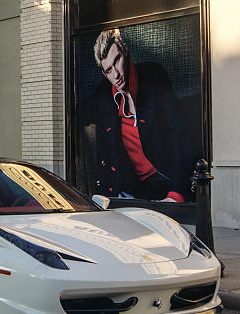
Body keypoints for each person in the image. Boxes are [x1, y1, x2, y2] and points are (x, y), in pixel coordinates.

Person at [81, 29, 201, 202]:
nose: (116, 74)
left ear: (125, 53)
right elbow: (80, 113)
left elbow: (179, 134)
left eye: (117, 61)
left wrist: (176, 193)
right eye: (108, 70)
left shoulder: (153, 76)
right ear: (104, 73)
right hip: (132, 189)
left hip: (165, 179)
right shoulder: (103, 94)